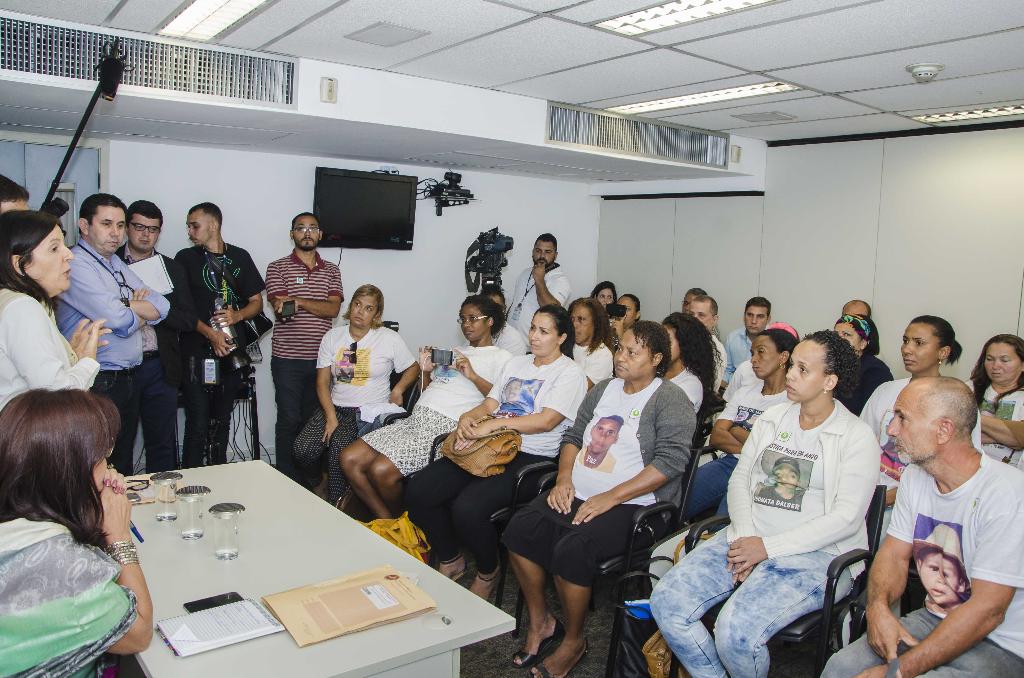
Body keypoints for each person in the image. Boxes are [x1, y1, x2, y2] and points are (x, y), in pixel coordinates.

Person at [651, 330, 878, 678]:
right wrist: (746, 537)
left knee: (735, 634)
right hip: (748, 537)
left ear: (829, 381)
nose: (790, 375)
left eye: (803, 369)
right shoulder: (773, 418)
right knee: (667, 603)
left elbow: (846, 518)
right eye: (793, 365)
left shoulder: (855, 436)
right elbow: (741, 479)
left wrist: (766, 549)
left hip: (817, 556)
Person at [503, 321, 694, 677]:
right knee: (520, 529)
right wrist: (563, 479)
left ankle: (574, 640)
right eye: (620, 348)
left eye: (632, 352)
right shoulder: (605, 388)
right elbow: (574, 436)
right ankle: (542, 621)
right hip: (579, 493)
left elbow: (670, 463)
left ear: (656, 359)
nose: (621, 357)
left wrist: (612, 497)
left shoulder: (670, 399)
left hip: (638, 507)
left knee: (573, 551)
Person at [822, 377, 1024, 678]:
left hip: (1000, 642)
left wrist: (896, 671)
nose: (891, 430)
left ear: (944, 430)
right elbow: (893, 555)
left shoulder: (1007, 493)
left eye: (902, 418)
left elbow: (988, 611)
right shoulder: (915, 477)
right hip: (936, 618)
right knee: (841, 667)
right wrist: (878, 609)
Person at [405, 305, 587, 599]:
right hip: (488, 445)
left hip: (529, 456)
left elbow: (546, 421)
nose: (534, 336)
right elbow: (490, 404)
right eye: (533, 328)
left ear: (562, 337)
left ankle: (488, 571)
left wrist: (493, 425)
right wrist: (469, 418)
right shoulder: (517, 364)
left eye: (544, 331)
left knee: (468, 507)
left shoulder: (569, 373)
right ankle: (451, 557)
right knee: (419, 489)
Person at [0, 389, 153, 676]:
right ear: (69, 473)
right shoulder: (65, 569)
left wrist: (89, 510)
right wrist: (118, 536)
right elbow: (139, 632)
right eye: (102, 458)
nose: (109, 470)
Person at [340, 295, 511, 519]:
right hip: (415, 421)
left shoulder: (503, 358)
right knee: (349, 458)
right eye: (462, 319)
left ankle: (403, 524)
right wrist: (426, 371)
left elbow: (503, 402)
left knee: (380, 471)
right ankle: (390, 523)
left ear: (490, 321)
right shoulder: (454, 351)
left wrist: (472, 375)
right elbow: (427, 391)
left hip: (443, 429)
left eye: (473, 319)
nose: (466, 324)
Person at [57, 194, 169, 475]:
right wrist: (137, 312)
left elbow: (162, 305)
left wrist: (123, 304)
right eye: (106, 224)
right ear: (84, 225)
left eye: (120, 225)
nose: (116, 233)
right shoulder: (77, 264)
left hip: (128, 377)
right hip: (100, 379)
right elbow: (117, 319)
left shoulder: (113, 263)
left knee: (121, 464)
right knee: (97, 464)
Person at [294, 285, 418, 504]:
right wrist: (330, 417)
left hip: (367, 412)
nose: (360, 311)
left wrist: (398, 389)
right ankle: (319, 484)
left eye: (368, 308)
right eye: (357, 304)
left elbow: (413, 368)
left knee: (338, 447)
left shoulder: (388, 338)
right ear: (350, 306)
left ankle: (337, 505)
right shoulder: (332, 337)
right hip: (335, 407)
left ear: (376, 315)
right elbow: (322, 382)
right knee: (303, 449)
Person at [860, 316, 978, 524]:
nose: (907, 349)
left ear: (943, 352)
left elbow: (963, 466)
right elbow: (861, 444)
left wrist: (895, 496)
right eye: (905, 341)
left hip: (922, 508)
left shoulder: (957, 400)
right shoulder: (885, 390)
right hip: (870, 500)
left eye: (919, 343)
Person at [175, 202, 266, 468]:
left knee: (222, 420)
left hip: (231, 351)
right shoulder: (185, 258)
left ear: (213, 225)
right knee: (198, 422)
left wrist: (237, 316)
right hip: (196, 352)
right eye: (188, 227)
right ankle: (190, 480)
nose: (190, 231)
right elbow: (181, 309)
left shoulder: (240, 257)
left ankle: (219, 477)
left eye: (195, 225)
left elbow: (256, 302)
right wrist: (210, 334)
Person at [113, 200, 196, 472]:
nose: (146, 234)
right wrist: (132, 306)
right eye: (139, 227)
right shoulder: (109, 264)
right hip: (120, 367)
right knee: (118, 443)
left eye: (153, 229)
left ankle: (163, 497)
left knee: (162, 443)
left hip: (159, 365)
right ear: (127, 227)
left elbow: (187, 319)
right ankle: (119, 497)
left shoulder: (171, 268)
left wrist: (152, 307)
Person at [684, 327, 796, 520]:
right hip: (729, 463)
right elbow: (717, 436)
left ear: (783, 357)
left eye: (761, 352)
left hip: (761, 473)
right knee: (680, 497)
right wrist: (754, 444)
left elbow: (774, 454)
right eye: (752, 353)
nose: (753, 359)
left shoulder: (791, 401)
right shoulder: (745, 392)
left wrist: (736, 430)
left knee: (728, 520)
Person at [0, 210, 107, 410]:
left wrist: (70, 357)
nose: (69, 255)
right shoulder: (22, 308)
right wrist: (87, 362)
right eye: (54, 248)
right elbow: (57, 396)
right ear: (20, 264)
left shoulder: (18, 302)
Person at [265, 212, 343, 482]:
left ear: (320, 234)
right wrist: (298, 304)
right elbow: (282, 309)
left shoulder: (331, 270)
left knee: (315, 421)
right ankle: (285, 480)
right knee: (289, 419)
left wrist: (298, 300)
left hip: (322, 361)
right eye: (301, 228)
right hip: (287, 359)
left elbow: (333, 309)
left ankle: (311, 482)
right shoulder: (277, 268)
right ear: (292, 234)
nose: (307, 233)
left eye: (312, 228)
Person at [970, 334, 1024, 465]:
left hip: (1012, 471)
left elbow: (1020, 439)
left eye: (1004, 360)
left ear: (1023, 365)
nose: (995, 366)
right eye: (990, 359)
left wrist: (970, 417)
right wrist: (1008, 433)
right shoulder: (967, 388)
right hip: (968, 466)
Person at [507, 234, 572, 335]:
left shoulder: (561, 281)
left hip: (533, 342)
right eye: (538, 251)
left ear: (555, 255)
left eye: (547, 252)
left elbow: (552, 310)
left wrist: (539, 280)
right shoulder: (525, 273)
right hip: (511, 339)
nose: (542, 256)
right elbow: (516, 303)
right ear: (533, 252)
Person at [834, 314, 893, 416]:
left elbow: (871, 413)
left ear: (863, 343)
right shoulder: (830, 364)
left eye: (846, 334)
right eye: (835, 334)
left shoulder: (876, 370)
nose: (838, 340)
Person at [662, 311, 719, 415]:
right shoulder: (654, 371)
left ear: (684, 345)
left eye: (667, 342)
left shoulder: (690, 385)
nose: (660, 346)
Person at [724, 296, 771, 383]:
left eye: (760, 316)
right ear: (744, 316)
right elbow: (727, 370)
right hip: (736, 387)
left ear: (768, 319)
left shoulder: (774, 341)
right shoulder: (733, 338)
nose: (753, 321)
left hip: (763, 388)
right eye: (750, 315)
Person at [569, 297, 613, 388]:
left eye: (581, 319)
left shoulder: (603, 354)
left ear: (596, 324)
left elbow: (581, 389)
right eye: (572, 319)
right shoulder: (564, 344)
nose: (574, 324)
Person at [689, 293, 726, 390]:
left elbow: (711, 387)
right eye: (691, 314)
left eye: (701, 315)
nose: (694, 319)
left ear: (715, 320)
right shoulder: (680, 339)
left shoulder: (716, 350)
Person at [482, 283, 528, 356]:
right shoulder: (477, 331)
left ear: (505, 309)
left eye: (499, 308)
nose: (495, 312)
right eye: (490, 308)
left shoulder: (513, 340)